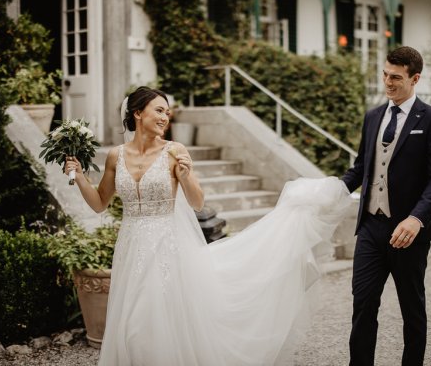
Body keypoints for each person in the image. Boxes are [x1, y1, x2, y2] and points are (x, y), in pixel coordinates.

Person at [64, 86, 353, 365]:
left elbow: (198, 202)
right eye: (159, 110)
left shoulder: (173, 151)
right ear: (137, 113)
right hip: (131, 245)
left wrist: (187, 176)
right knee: (131, 322)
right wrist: (78, 176)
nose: (166, 117)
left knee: (151, 322)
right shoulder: (116, 155)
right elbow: (100, 202)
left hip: (167, 245)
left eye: (168, 112)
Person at [341, 46, 431, 366]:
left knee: (411, 310)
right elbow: (361, 168)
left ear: (415, 78)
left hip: (408, 233)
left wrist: (417, 219)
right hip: (371, 229)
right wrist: (330, 191)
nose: (388, 82)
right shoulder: (373, 116)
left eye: (396, 78)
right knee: (362, 305)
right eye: (385, 74)